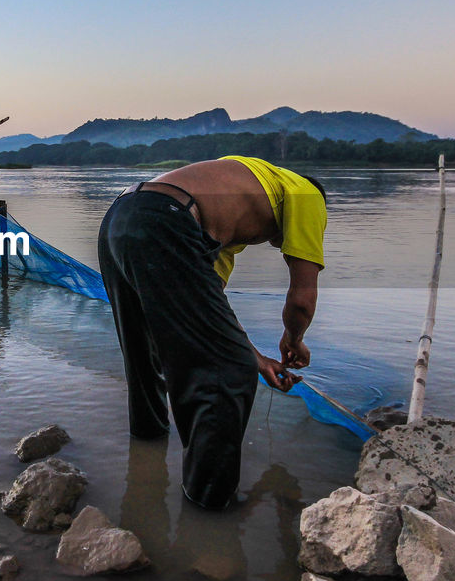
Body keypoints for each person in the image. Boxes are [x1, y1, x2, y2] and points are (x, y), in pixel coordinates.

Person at [96, 155, 327, 509]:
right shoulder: (307, 193)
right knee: (230, 374)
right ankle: (208, 512)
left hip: (121, 216)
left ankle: (145, 464)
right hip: (165, 220)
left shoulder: (230, 211)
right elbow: (301, 302)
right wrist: (293, 340)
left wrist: (259, 359)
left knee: (145, 355)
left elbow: (210, 314)